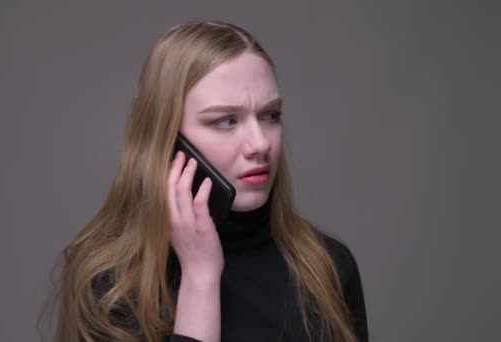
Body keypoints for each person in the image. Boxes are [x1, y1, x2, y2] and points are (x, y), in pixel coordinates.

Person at [43, 20, 369, 342]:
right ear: (168, 140)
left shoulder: (328, 266)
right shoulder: (112, 286)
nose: (261, 144)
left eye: (270, 115)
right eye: (226, 121)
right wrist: (200, 280)